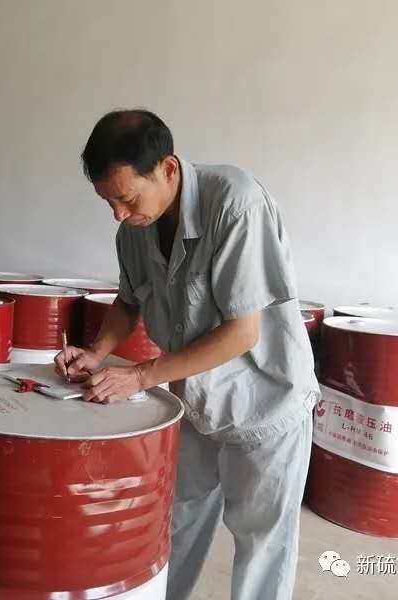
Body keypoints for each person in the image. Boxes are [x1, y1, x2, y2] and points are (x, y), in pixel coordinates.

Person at [55, 109, 319, 600]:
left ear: (168, 169)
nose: (118, 214)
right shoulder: (133, 229)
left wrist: (139, 377)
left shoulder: (236, 204)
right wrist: (97, 352)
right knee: (176, 520)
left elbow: (241, 333)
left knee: (261, 543)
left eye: (126, 197)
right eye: (108, 201)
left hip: (264, 404)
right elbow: (129, 302)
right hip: (196, 402)